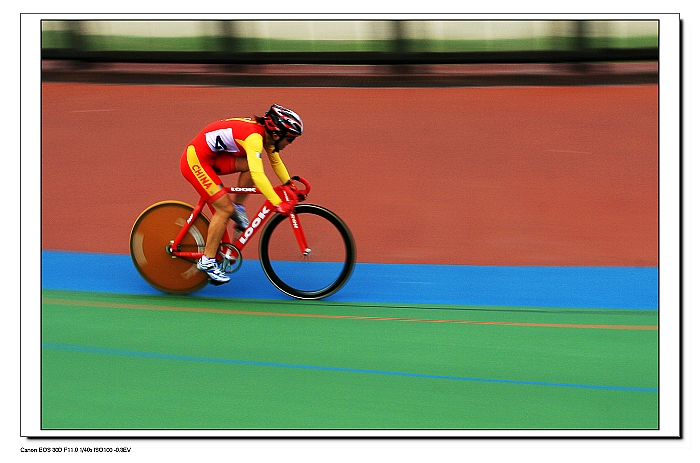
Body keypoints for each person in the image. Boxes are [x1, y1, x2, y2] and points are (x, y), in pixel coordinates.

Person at [180, 104, 303, 284]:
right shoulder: (254, 138)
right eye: (290, 140)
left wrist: (289, 184)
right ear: (277, 134)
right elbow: (258, 174)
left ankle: (238, 207)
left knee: (247, 166)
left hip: (213, 157)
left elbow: (275, 162)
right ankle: (207, 261)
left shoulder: (267, 137)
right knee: (224, 209)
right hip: (196, 160)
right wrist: (277, 202)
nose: (289, 144)